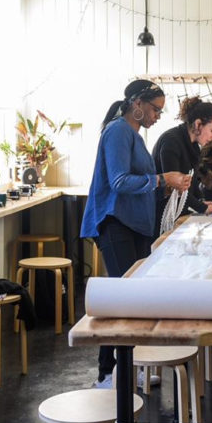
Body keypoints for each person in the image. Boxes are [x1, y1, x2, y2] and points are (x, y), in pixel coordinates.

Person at [80, 79, 190, 388]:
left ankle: (129, 366)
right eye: (155, 109)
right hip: (116, 223)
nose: (157, 116)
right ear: (137, 104)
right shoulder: (118, 131)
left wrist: (168, 183)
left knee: (131, 298)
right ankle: (107, 373)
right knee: (121, 299)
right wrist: (160, 179)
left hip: (134, 224)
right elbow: (118, 182)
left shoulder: (134, 135)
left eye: (160, 111)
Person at [152, 96, 212, 223]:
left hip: (179, 212)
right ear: (198, 124)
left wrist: (201, 201)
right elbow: (175, 187)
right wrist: (203, 208)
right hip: (162, 216)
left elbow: (191, 183)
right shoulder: (171, 141)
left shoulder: (193, 146)